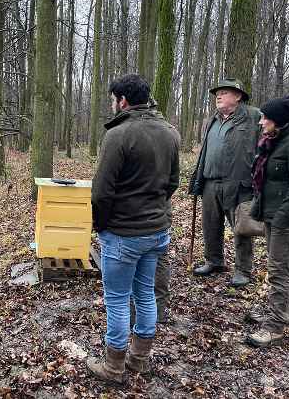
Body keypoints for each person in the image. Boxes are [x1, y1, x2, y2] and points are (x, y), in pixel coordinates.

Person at [87, 74, 180, 383]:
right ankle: (139, 359)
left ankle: (113, 367)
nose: (113, 105)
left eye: (113, 100)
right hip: (156, 232)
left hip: (124, 234)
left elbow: (101, 192)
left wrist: (101, 226)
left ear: (122, 101)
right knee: (145, 295)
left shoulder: (119, 134)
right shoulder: (169, 132)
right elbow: (173, 183)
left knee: (116, 298)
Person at [189, 78, 261, 287]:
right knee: (210, 225)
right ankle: (214, 261)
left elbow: (268, 145)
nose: (218, 96)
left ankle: (243, 270)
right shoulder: (213, 119)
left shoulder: (253, 117)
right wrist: (198, 178)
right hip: (211, 182)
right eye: (217, 93)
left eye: (224, 92)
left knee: (241, 227)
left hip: (239, 183)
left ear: (238, 96)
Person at [245, 96, 289, 347]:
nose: (261, 122)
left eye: (266, 118)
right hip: (272, 215)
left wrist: (283, 217)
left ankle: (275, 326)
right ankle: (279, 313)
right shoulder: (274, 141)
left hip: (285, 220)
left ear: (280, 121)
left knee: (279, 271)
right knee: (280, 269)